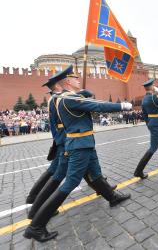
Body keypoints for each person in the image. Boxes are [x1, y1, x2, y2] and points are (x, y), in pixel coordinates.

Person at [23, 65, 132, 242]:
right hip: (79, 145)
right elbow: (97, 105)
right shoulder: (67, 99)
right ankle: (35, 227)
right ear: (66, 81)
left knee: (96, 175)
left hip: (85, 143)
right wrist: (123, 105)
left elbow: (87, 96)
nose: (77, 79)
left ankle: (112, 197)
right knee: (69, 183)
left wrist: (81, 92)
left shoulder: (67, 97)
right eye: (74, 78)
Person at [25, 76, 63, 204]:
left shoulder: (53, 99)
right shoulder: (57, 99)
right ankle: (35, 197)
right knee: (54, 170)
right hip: (63, 138)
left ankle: (100, 184)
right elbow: (57, 123)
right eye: (61, 83)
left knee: (84, 162)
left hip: (61, 137)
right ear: (58, 85)